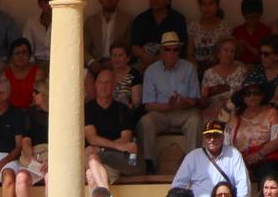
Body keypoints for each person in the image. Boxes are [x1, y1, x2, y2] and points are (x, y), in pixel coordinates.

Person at [136, 31, 200, 171]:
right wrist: (167, 106)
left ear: (179, 50)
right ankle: (149, 163)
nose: (171, 53)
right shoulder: (151, 71)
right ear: (161, 51)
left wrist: (185, 101)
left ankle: (193, 163)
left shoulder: (189, 68)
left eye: (175, 49)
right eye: (167, 49)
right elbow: (148, 105)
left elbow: (195, 100)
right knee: (145, 121)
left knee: (195, 119)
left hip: (183, 112)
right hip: (161, 113)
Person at [170, 121, 249, 197]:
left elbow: (242, 183)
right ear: (205, 138)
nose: (212, 139)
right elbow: (178, 185)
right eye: (208, 136)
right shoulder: (193, 156)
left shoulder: (234, 154)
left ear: (222, 137)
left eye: (216, 136)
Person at [84, 68, 141, 188]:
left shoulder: (122, 110)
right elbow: (92, 138)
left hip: (115, 158)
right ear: (95, 85)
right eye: (100, 82)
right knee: (92, 167)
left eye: (107, 83)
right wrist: (117, 145)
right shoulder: (88, 109)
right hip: (96, 156)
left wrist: (102, 148)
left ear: (114, 85)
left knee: (92, 163)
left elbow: (125, 140)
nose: (103, 86)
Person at [226, 83, 278, 185]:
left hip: (265, 158)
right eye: (247, 94)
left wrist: (259, 155)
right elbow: (226, 141)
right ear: (243, 97)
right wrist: (239, 159)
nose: (252, 97)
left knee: (268, 174)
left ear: (262, 96)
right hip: (239, 160)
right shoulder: (234, 115)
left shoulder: (271, 112)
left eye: (256, 93)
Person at [129, 0, 188, 69]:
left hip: (170, 62)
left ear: (168, 0)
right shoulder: (140, 19)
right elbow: (134, 46)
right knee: (128, 79)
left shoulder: (178, 19)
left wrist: (158, 60)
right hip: (143, 63)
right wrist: (144, 56)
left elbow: (180, 46)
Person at [199, 38, 247, 123]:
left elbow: (243, 97)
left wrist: (222, 105)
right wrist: (205, 97)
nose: (229, 54)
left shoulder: (241, 72)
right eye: (226, 50)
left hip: (234, 111)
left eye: (232, 51)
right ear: (218, 53)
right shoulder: (208, 73)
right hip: (212, 111)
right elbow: (204, 102)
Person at [85, 0, 131, 65]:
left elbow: (129, 48)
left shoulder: (127, 20)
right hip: (95, 65)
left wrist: (114, 62)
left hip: (119, 65)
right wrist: (92, 63)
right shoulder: (91, 21)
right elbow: (83, 48)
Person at [246, 34, 278, 112]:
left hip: (277, 112)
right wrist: (273, 100)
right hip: (256, 111)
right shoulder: (257, 70)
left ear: (276, 56)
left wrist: (258, 97)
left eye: (266, 54)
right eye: (261, 53)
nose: (262, 57)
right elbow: (247, 94)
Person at [187, 0, 233, 71]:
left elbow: (228, 52)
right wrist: (195, 66)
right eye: (203, 4)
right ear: (199, 7)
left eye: (211, 3)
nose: (207, 7)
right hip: (198, 67)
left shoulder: (225, 26)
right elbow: (190, 53)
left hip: (219, 67)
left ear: (217, 6)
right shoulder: (193, 26)